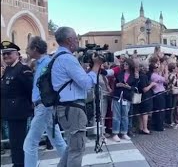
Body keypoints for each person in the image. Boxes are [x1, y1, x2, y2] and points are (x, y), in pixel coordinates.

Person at [51, 27, 103, 167]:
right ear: (69, 40)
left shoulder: (57, 57)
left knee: (71, 147)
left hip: (65, 108)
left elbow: (75, 81)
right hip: (73, 109)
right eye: (76, 39)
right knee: (77, 149)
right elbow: (86, 84)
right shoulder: (67, 59)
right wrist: (96, 66)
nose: (77, 41)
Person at [23, 36, 67, 167]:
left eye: (28, 47)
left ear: (35, 48)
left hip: (44, 107)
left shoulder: (47, 63)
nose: (26, 50)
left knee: (30, 143)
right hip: (42, 107)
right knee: (57, 140)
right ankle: (71, 163)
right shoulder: (40, 63)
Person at [1, 41, 33, 167]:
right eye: (3, 54)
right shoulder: (9, 69)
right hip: (10, 112)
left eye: (8, 53)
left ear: (16, 54)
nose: (6, 56)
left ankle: (20, 164)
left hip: (19, 112)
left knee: (19, 142)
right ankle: (17, 163)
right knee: (14, 142)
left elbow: (30, 90)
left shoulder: (23, 69)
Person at [111, 58, 139, 141]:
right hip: (117, 96)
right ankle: (115, 133)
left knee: (125, 116)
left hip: (127, 97)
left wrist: (129, 87)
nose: (125, 65)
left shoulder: (134, 76)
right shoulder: (120, 73)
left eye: (127, 64)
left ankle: (124, 133)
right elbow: (115, 83)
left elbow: (136, 87)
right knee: (116, 116)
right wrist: (118, 85)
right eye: (124, 64)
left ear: (130, 65)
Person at [137, 61, 156, 134]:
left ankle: (141, 127)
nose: (148, 67)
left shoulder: (139, 75)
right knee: (145, 113)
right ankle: (145, 128)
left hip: (141, 97)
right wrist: (151, 85)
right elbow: (144, 89)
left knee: (141, 113)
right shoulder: (143, 76)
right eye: (147, 66)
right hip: (145, 97)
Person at [150, 61, 168, 131]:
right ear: (154, 69)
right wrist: (166, 71)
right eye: (157, 67)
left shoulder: (157, 75)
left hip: (160, 93)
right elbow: (165, 79)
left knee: (160, 110)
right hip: (158, 94)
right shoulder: (154, 76)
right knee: (160, 111)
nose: (158, 68)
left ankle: (157, 125)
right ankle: (159, 127)